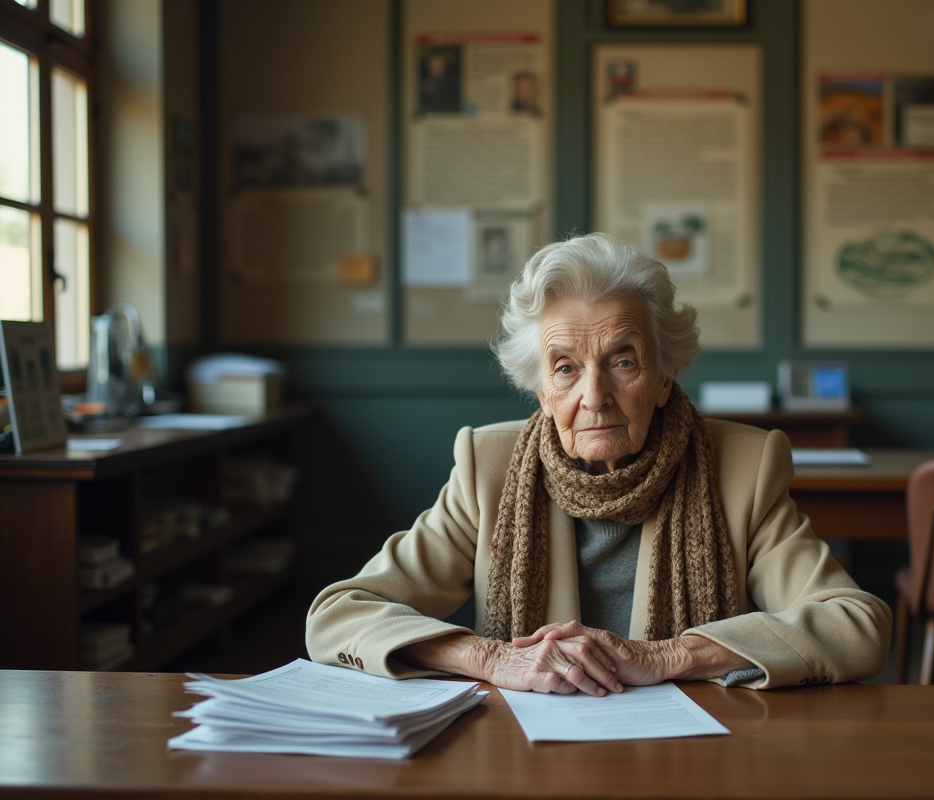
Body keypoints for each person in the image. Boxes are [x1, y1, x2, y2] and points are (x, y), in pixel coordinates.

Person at [307, 232, 891, 694]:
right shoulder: (488, 468)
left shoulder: (744, 468)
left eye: (622, 361)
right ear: (541, 390)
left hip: (692, 761)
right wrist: (489, 658)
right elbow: (338, 615)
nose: (594, 396)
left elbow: (856, 624)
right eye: (565, 368)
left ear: (664, 378)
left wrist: (670, 655)